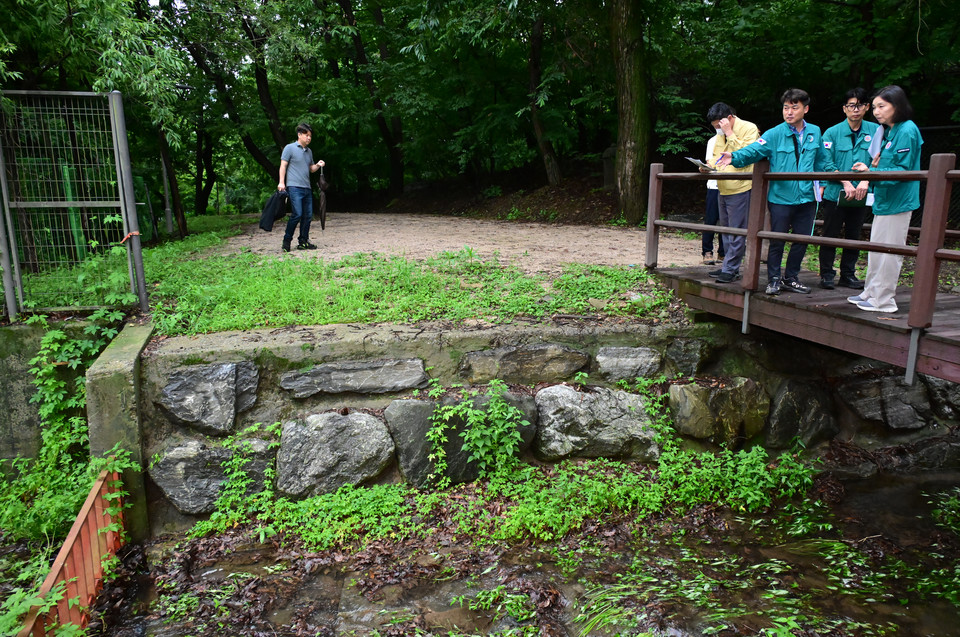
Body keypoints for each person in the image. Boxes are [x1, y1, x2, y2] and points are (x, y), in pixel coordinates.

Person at [717, 88, 835, 295]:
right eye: (786, 107)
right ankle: (773, 279)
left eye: (794, 107)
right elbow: (754, 150)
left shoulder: (815, 132)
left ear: (805, 109)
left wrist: (823, 183)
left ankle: (791, 277)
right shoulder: (774, 133)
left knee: (802, 239)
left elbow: (822, 160)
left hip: (807, 196)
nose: (789, 112)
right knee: (777, 240)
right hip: (781, 197)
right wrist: (733, 157)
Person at [848, 85, 923, 313]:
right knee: (877, 250)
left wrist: (869, 174)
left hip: (898, 201)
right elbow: (884, 164)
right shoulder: (889, 131)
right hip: (885, 199)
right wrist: (871, 169)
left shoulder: (907, 130)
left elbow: (901, 170)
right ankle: (871, 292)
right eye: (876, 107)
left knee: (890, 252)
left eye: (882, 106)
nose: (876, 112)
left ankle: (884, 300)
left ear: (897, 106)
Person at [817, 88, 880, 290]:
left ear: (866, 107)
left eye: (860, 105)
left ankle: (848, 274)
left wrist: (866, 180)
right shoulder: (831, 133)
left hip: (861, 194)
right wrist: (844, 181)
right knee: (830, 234)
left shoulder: (876, 131)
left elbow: (879, 159)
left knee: (854, 234)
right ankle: (826, 274)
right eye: (851, 105)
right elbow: (825, 161)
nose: (855, 109)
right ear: (844, 109)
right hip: (836, 193)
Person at [704, 102, 759, 284]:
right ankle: (729, 265)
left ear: (728, 119)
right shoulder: (721, 134)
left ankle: (731, 268)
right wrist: (707, 166)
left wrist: (729, 134)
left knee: (737, 231)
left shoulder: (749, 128)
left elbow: (746, 155)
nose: (717, 130)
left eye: (718, 126)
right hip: (723, 186)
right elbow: (718, 156)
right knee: (726, 231)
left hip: (741, 187)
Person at [278, 123, 325, 252]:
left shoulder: (309, 152)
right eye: (306, 135)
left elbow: (311, 169)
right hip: (294, 187)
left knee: (307, 215)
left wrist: (318, 165)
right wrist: (281, 182)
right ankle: (287, 240)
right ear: (299, 135)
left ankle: (303, 241)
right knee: (297, 214)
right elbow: (283, 166)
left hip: (307, 188)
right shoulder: (289, 148)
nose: (309, 138)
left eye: (310, 136)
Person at [701, 135, 724, 265]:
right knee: (711, 219)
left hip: (733, 186)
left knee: (726, 221)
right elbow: (709, 162)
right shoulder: (713, 140)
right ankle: (707, 251)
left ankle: (723, 252)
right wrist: (704, 167)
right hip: (714, 185)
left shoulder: (739, 137)